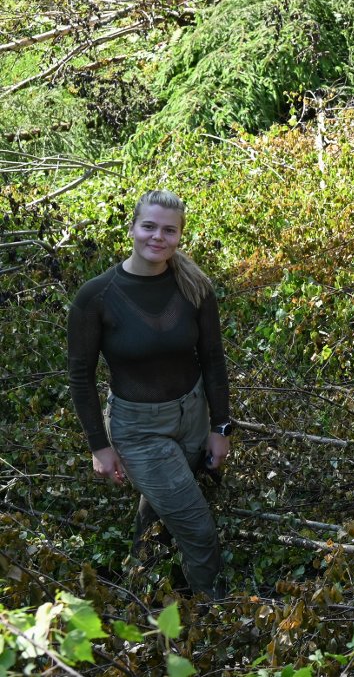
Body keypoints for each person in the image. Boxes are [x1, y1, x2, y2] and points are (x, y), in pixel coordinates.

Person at [68, 189, 232, 598]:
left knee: (159, 506)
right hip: (138, 429)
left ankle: (139, 583)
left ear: (179, 236)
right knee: (197, 529)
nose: (158, 237)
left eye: (169, 230)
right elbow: (80, 377)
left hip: (192, 416)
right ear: (133, 228)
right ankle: (215, 621)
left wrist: (220, 427)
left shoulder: (194, 286)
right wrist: (99, 447)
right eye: (149, 226)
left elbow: (213, 359)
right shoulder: (96, 297)